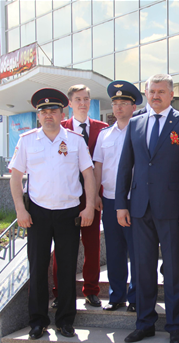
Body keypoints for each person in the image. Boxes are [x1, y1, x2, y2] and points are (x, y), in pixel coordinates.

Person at [115, 74, 179, 343]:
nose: (156, 96)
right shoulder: (136, 123)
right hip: (139, 209)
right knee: (142, 270)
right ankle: (145, 323)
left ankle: (175, 325)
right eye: (152, 91)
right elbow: (124, 167)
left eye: (161, 91)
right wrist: (121, 204)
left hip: (173, 210)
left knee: (173, 270)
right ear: (147, 93)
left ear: (171, 94)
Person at [9, 88, 96, 339]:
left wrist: (89, 206)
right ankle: (37, 322)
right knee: (37, 269)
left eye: (54, 111)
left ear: (63, 113)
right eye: (44, 111)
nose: (49, 115)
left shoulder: (75, 140)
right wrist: (20, 209)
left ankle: (66, 321)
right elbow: (16, 178)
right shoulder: (27, 141)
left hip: (68, 213)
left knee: (67, 268)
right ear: (38, 116)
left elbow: (88, 175)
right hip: (37, 214)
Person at [50, 84, 108, 309]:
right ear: (70, 103)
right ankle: (59, 293)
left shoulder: (102, 129)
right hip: (65, 197)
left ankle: (91, 290)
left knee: (92, 246)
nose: (83, 103)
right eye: (78, 99)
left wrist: (96, 196)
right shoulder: (60, 128)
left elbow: (105, 164)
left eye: (86, 99)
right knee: (62, 248)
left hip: (92, 198)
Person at [93, 80, 143, 312]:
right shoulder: (104, 135)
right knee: (114, 250)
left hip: (136, 199)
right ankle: (116, 296)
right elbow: (98, 168)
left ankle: (136, 297)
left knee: (138, 251)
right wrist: (95, 195)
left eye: (124, 103)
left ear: (134, 107)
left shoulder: (142, 131)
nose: (119, 107)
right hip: (111, 199)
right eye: (115, 103)